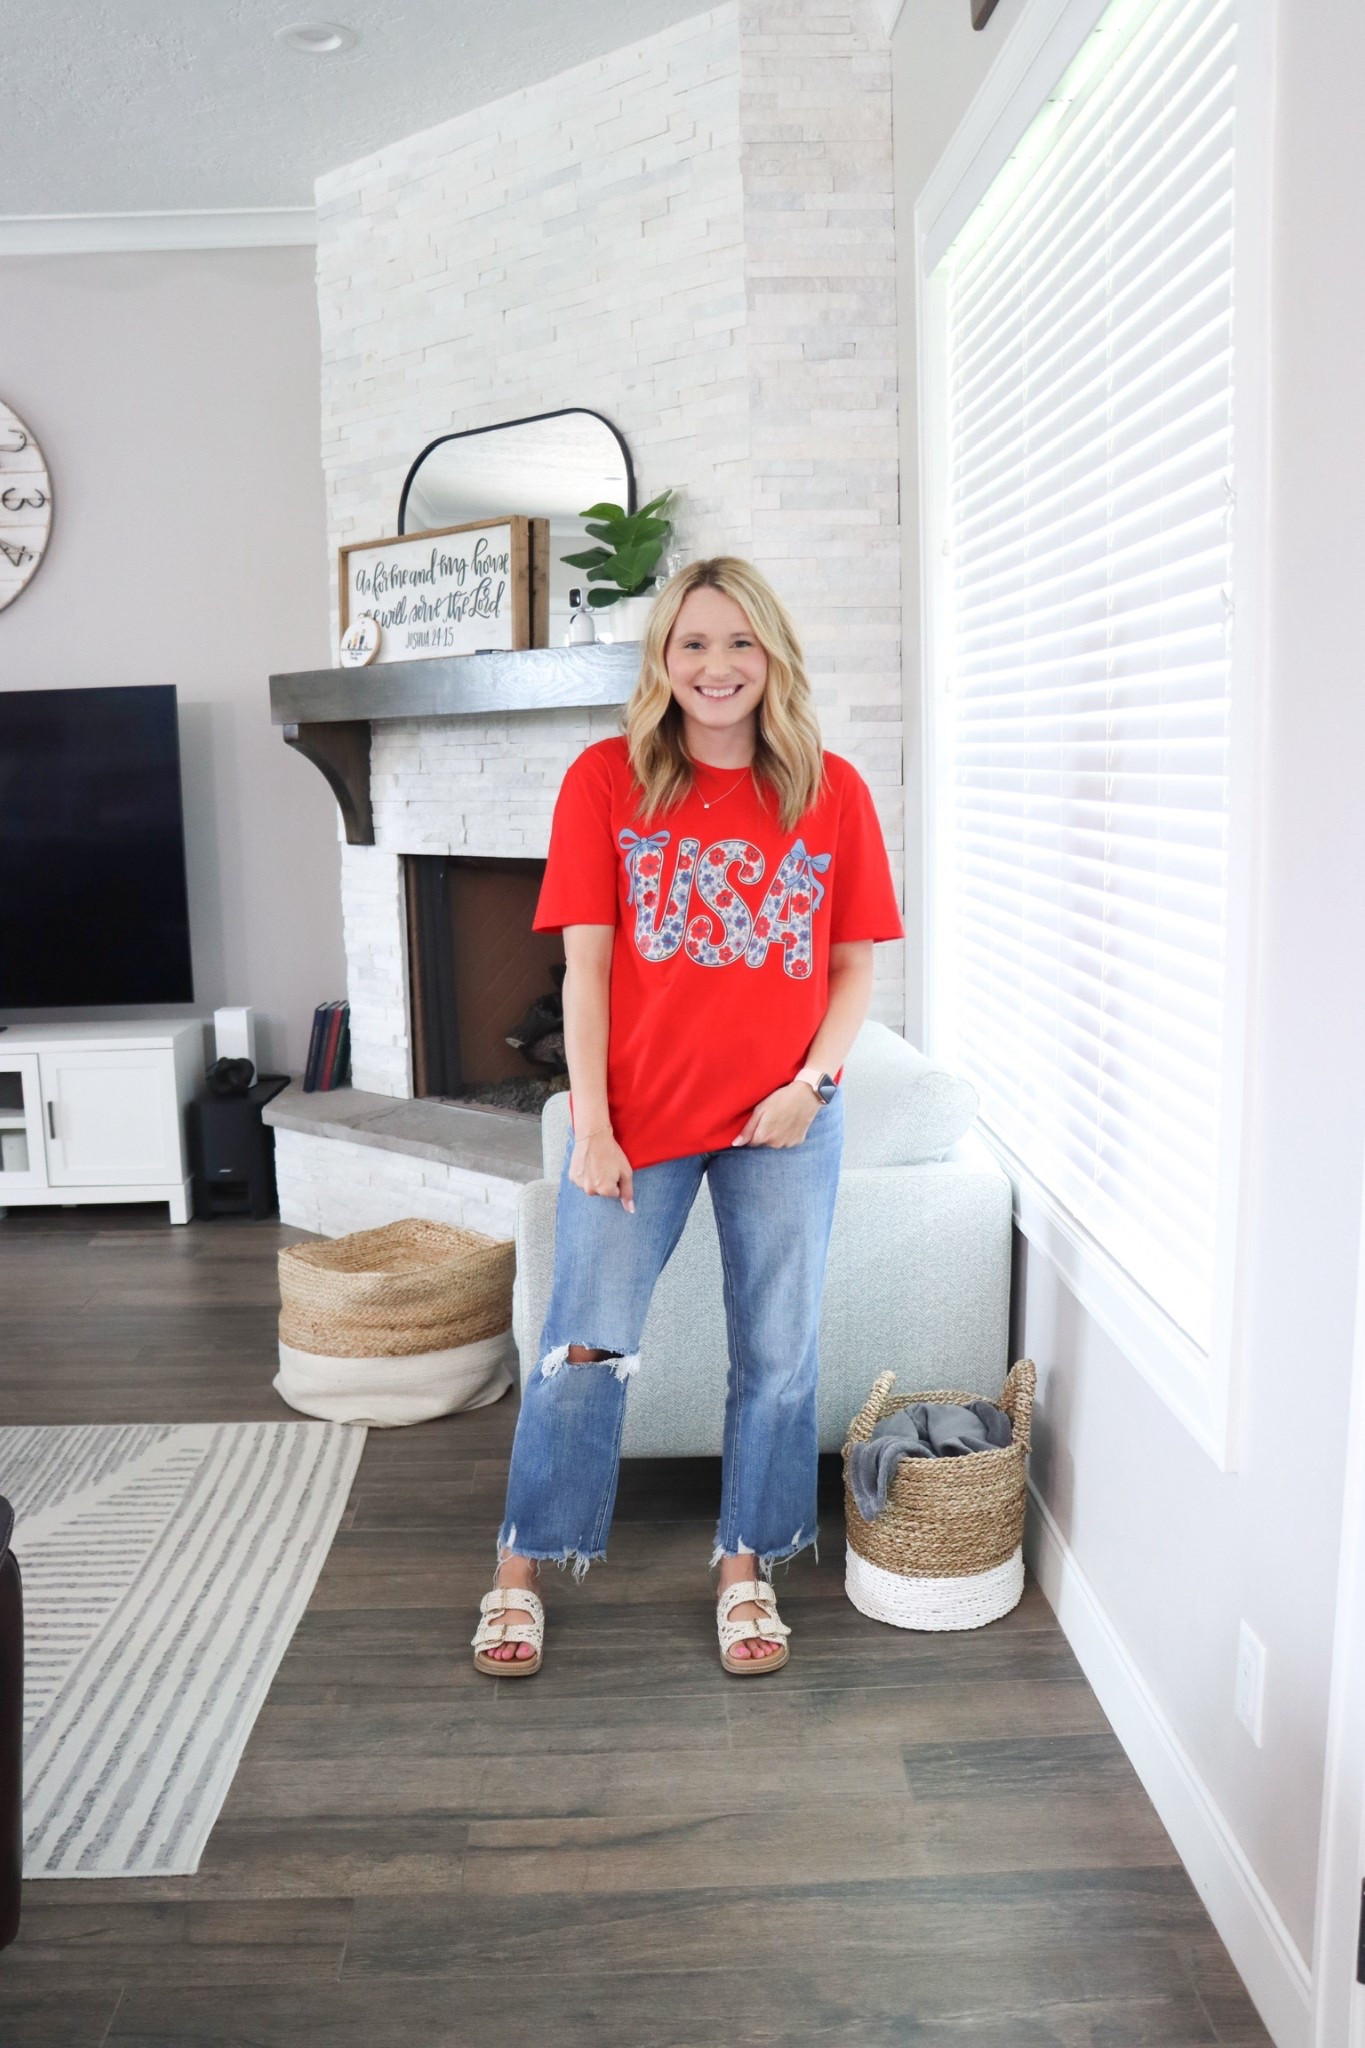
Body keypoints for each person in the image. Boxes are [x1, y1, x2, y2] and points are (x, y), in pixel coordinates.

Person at [470, 555, 903, 1679]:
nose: (717, 666)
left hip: (785, 1117)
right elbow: (586, 977)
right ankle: (522, 1563)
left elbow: (852, 971)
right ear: (663, 660)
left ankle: (745, 1562)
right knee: (581, 1344)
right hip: (640, 1119)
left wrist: (810, 1086)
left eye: (740, 643)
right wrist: (595, 1127)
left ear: (774, 656)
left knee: (779, 1350)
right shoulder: (608, 781)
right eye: (693, 644)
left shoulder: (832, 791)